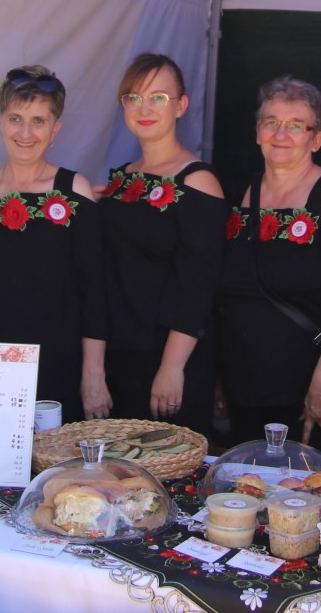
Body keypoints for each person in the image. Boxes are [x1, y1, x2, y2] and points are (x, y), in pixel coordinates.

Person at [0, 65, 107, 422]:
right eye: (15, 119)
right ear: (0, 122)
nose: (25, 132)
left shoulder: (73, 190)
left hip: (56, 365)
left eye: (38, 121)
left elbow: (94, 291)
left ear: (55, 129)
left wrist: (93, 375)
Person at [215, 76, 321, 453]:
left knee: (300, 484)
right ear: (258, 132)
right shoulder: (241, 192)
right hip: (242, 384)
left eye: (297, 125)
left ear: (316, 140)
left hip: (304, 390)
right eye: (271, 122)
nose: (281, 134)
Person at [95, 53, 227, 438]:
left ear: (181, 106)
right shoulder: (121, 179)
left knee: (166, 466)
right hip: (118, 355)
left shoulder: (198, 181)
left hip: (167, 359)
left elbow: (197, 284)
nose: (144, 108)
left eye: (158, 97)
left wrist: (171, 368)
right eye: (133, 97)